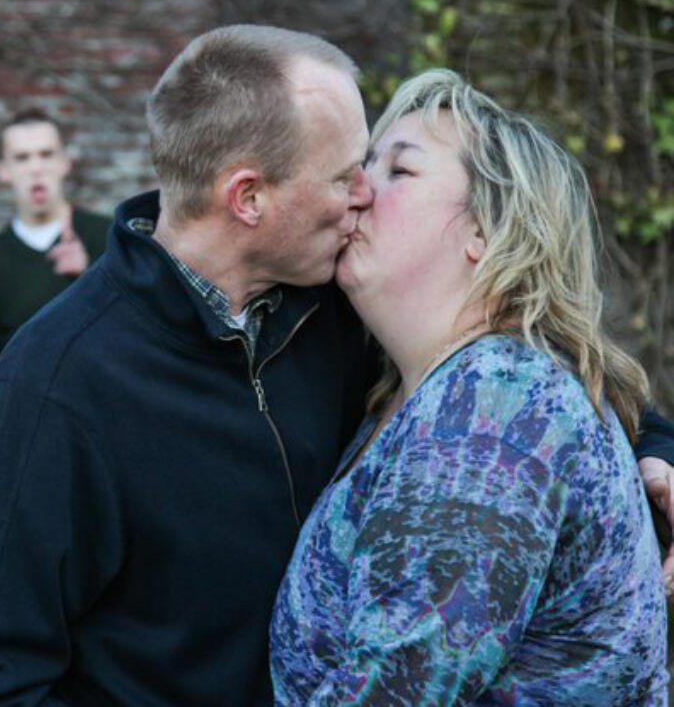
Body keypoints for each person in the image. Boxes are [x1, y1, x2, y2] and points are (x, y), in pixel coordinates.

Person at [0, 25, 674, 707]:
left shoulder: (346, 315)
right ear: (249, 197)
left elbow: (536, 407)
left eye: (384, 168)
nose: (363, 193)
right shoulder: (60, 381)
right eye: (348, 170)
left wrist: (656, 460)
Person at [270, 70, 668, 705]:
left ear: (488, 231)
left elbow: (394, 691)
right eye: (366, 163)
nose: (360, 188)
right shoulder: (415, 395)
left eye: (400, 171)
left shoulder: (497, 409)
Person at [0, 107, 112, 356]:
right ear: (3, 170)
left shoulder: (108, 237)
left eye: (46, 154)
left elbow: (135, 333)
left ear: (64, 162)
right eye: (22, 158)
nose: (36, 168)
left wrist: (88, 277)